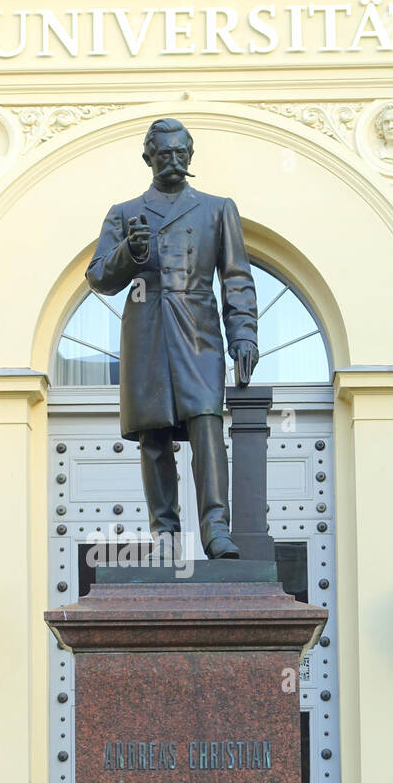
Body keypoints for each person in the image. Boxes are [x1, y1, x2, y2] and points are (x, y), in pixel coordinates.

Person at [86, 118, 258, 560]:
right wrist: (131, 252)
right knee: (154, 436)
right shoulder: (124, 212)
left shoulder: (218, 208)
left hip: (199, 327)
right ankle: (165, 536)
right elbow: (99, 278)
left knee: (206, 422)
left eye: (182, 153)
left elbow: (236, 277)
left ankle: (216, 529)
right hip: (146, 329)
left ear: (191, 155)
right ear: (148, 157)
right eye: (165, 153)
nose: (175, 160)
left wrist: (243, 333)